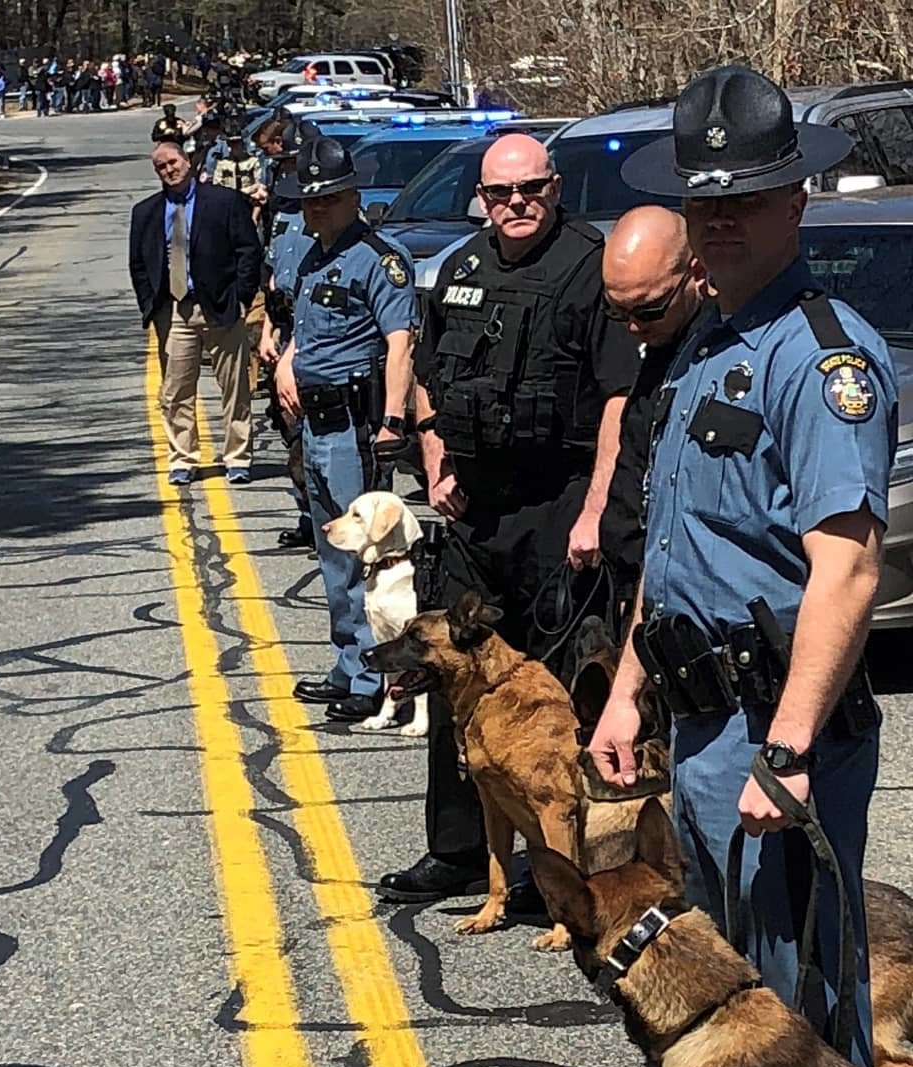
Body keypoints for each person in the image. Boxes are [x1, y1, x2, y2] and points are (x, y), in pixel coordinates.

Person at [591, 64, 897, 1067]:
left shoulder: (819, 361)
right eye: (704, 199)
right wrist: (628, 692)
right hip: (701, 722)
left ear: (797, 196)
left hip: (775, 732)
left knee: (795, 1009)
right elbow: (674, 549)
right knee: (725, 999)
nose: (720, 219)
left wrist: (793, 746)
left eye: (746, 198)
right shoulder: (707, 346)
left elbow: (847, 566)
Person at [377, 133, 639, 903]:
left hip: (559, 505)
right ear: (482, 199)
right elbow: (428, 373)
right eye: (500, 193)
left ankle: (553, 863)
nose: (517, 204)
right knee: (451, 677)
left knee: (550, 695)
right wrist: (434, 456)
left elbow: (619, 397)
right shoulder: (459, 267)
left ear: (553, 188)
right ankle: (458, 849)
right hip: (473, 507)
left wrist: (595, 508)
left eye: (531, 189)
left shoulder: (591, 269)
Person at [273, 136, 418, 720]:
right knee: (332, 550)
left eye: (328, 200)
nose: (316, 209)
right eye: (309, 201)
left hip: (355, 426)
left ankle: (373, 683)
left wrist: (391, 420)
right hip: (313, 421)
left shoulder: (379, 259)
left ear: (353, 195)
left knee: (365, 558)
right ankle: (349, 664)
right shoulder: (313, 254)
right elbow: (304, 328)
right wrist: (285, 360)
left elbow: (400, 343)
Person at [597, 206, 712, 630]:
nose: (632, 327)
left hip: (685, 601)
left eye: (647, 310)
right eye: (618, 311)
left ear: (695, 273)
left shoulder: (716, 357)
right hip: (632, 585)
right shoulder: (661, 345)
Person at [129, 140, 261, 487]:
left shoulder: (224, 202)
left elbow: (249, 250)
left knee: (234, 387)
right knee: (175, 391)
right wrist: (152, 304)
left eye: (173, 162)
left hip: (221, 307)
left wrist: (242, 297)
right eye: (161, 166)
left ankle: (237, 458)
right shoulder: (145, 212)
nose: (169, 170)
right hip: (174, 311)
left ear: (187, 161)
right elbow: (138, 264)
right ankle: (183, 459)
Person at [258, 118, 320, 550]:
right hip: (283, 330)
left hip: (316, 334)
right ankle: (306, 515)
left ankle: (330, 520)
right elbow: (274, 278)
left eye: (295, 162)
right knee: (290, 432)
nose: (287, 171)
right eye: (285, 164)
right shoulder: (283, 211)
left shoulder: (328, 215)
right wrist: (266, 330)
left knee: (320, 439)